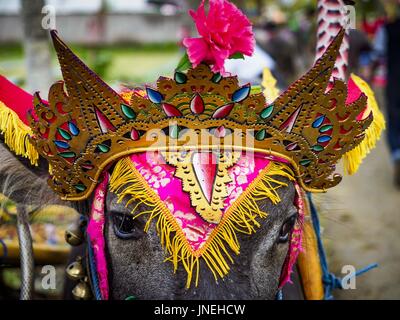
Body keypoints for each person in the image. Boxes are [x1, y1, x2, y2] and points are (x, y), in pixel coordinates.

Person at [372, 2, 400, 188]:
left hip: (395, 84)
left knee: (395, 120)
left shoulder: (387, 29)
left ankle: (398, 154)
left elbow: (377, 55)